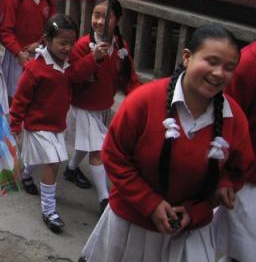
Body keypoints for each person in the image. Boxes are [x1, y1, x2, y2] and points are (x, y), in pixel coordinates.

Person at [81, 24, 254, 262]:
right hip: (133, 224)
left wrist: (211, 195)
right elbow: (114, 155)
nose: (218, 73)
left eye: (229, 67)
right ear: (186, 57)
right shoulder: (144, 101)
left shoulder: (233, 118)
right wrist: (149, 204)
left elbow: (238, 169)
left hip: (192, 229)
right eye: (211, 61)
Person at [10, 14, 108, 233]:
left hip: (57, 123)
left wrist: (94, 57)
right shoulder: (34, 70)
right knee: (53, 161)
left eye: (71, 43)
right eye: (62, 43)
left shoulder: (67, 65)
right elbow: (20, 99)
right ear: (47, 40)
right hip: (37, 124)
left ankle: (26, 174)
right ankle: (49, 210)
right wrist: (15, 125)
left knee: (43, 158)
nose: (67, 48)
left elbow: (77, 73)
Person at [65, 0, 141, 213]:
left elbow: (129, 77)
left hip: (104, 105)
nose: (99, 21)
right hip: (83, 106)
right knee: (97, 151)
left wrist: (139, 98)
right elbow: (73, 75)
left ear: (116, 20)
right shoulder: (82, 45)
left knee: (87, 143)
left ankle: (71, 169)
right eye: (95, 15)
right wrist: (93, 58)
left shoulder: (121, 46)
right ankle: (104, 199)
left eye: (105, 17)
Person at [214, 40, 256, 262]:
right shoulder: (249, 63)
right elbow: (224, 120)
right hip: (249, 177)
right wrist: (223, 177)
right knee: (244, 253)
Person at [1, 0, 56, 99]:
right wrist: (19, 53)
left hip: (41, 55)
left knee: (37, 99)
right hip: (17, 57)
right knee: (16, 98)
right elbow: (6, 32)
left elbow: (52, 31)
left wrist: (40, 44)